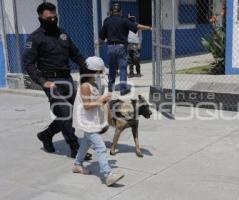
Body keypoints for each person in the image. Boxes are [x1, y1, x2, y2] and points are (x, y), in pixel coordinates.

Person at [22, 2, 91, 159]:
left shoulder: (63, 34)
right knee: (64, 112)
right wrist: (42, 81)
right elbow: (28, 64)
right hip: (50, 81)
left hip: (66, 78)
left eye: (55, 17)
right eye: (48, 18)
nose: (52, 20)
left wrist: (86, 65)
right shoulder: (35, 38)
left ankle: (46, 134)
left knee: (71, 113)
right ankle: (75, 148)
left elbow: (75, 53)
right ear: (40, 18)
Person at [72, 56, 124, 186]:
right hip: (87, 121)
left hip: (92, 119)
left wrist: (103, 99)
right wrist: (101, 100)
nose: (101, 74)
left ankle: (77, 165)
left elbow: (94, 101)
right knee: (100, 147)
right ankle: (107, 175)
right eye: (100, 72)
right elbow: (87, 105)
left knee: (85, 144)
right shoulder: (85, 86)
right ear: (93, 71)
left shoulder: (93, 84)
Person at [99, 3, 152, 96]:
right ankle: (123, 89)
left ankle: (110, 88)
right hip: (121, 47)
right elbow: (137, 26)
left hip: (110, 47)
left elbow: (102, 36)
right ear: (120, 11)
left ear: (111, 11)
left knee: (112, 68)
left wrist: (98, 44)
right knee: (123, 68)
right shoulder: (124, 20)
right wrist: (149, 27)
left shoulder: (106, 21)